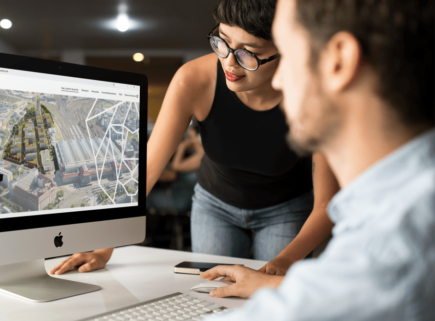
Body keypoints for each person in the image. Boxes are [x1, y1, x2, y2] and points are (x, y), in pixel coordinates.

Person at [50, 0, 339, 276]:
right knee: (211, 294)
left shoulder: (314, 94)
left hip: (285, 207)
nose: (229, 62)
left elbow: (327, 204)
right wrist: (103, 249)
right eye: (223, 41)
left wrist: (286, 261)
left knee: (273, 296)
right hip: (215, 202)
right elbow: (147, 169)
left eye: (248, 52)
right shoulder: (193, 80)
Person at [200, 0, 435, 321]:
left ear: (339, 60)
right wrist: (274, 285)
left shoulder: (390, 249)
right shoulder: (410, 199)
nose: (279, 80)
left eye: (288, 54)